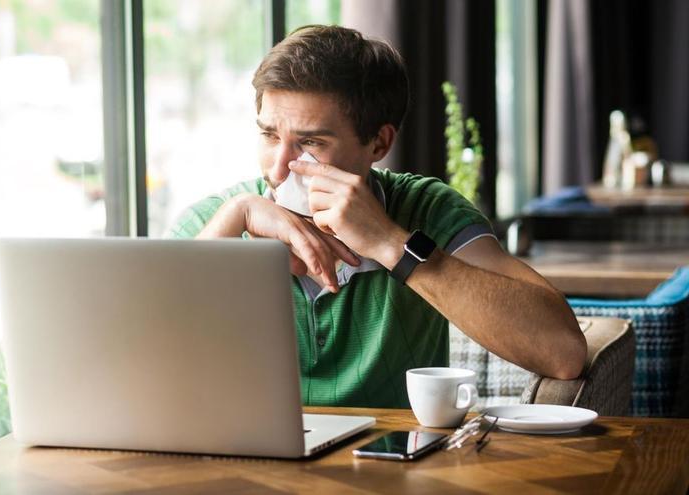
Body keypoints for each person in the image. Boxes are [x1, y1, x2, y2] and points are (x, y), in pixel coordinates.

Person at [167, 25, 585, 408]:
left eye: (310, 142)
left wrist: (390, 243)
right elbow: (136, 362)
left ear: (379, 143)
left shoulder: (427, 209)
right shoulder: (213, 222)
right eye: (269, 135)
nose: (278, 169)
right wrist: (233, 220)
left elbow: (563, 353)